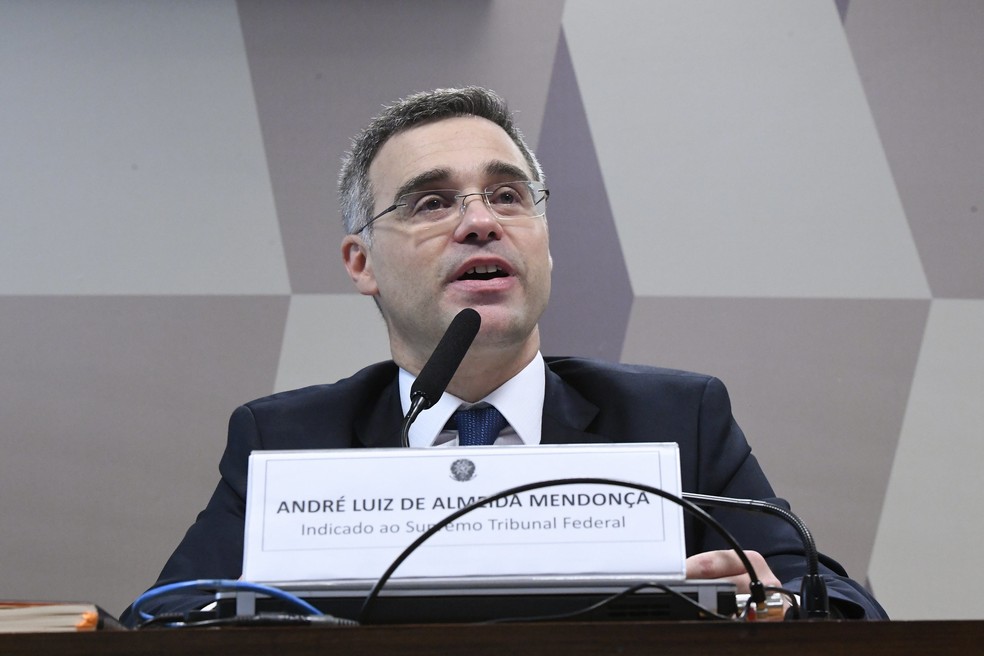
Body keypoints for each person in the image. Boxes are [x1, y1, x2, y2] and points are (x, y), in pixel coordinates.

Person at [121, 86, 886, 625]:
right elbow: (161, 620)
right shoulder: (288, 440)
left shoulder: (674, 419)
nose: (480, 222)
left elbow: (847, 610)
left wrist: (780, 602)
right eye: (431, 202)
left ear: (544, 243)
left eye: (509, 196)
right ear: (361, 262)